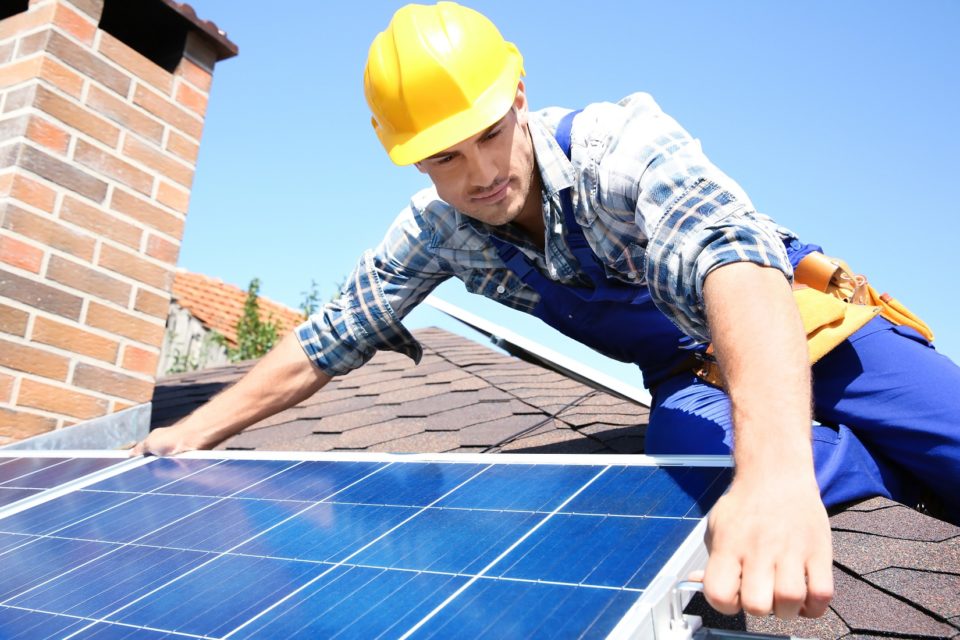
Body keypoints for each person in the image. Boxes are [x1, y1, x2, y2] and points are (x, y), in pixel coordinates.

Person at [134, 1, 960, 622]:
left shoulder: (618, 145)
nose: (480, 172)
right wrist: (193, 433)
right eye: (443, 157)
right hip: (688, 372)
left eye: (489, 132)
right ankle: (884, 468)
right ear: (410, 158)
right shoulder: (436, 233)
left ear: (519, 93)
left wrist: (777, 473)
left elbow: (732, 258)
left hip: (816, 329)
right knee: (687, 463)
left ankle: (869, 447)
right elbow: (328, 339)